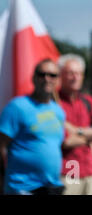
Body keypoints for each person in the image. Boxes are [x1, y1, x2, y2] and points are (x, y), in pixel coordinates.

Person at [0, 59, 66, 195]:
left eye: (52, 75)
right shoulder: (17, 106)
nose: (47, 79)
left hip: (52, 187)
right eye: (42, 74)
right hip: (22, 187)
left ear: (58, 80)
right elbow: (1, 145)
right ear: (34, 78)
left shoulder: (58, 111)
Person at [58, 54, 92, 195]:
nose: (75, 77)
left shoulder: (88, 101)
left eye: (78, 73)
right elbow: (67, 141)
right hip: (69, 169)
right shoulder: (55, 103)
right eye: (70, 73)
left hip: (90, 170)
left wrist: (77, 131)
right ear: (61, 75)